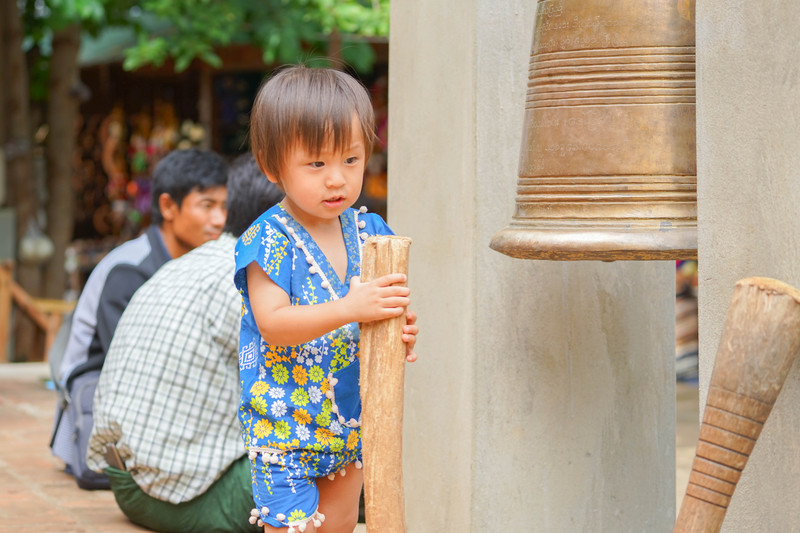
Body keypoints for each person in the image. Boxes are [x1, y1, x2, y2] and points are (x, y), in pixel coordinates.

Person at [234, 65, 419, 533]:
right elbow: (273, 321)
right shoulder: (268, 240)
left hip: (349, 422)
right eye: (316, 164)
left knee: (336, 526)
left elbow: (388, 309)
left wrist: (400, 330)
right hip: (284, 427)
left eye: (351, 160)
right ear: (271, 163)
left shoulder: (372, 234)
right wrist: (352, 309)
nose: (336, 179)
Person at [85, 153, 282, 533]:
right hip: (174, 490)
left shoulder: (198, 260)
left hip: (131, 473)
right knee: (336, 471)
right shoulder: (249, 276)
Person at [50, 148, 229, 488]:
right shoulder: (130, 269)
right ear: (167, 207)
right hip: (96, 412)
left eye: (223, 206)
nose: (219, 219)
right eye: (207, 205)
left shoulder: (192, 262)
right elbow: (134, 367)